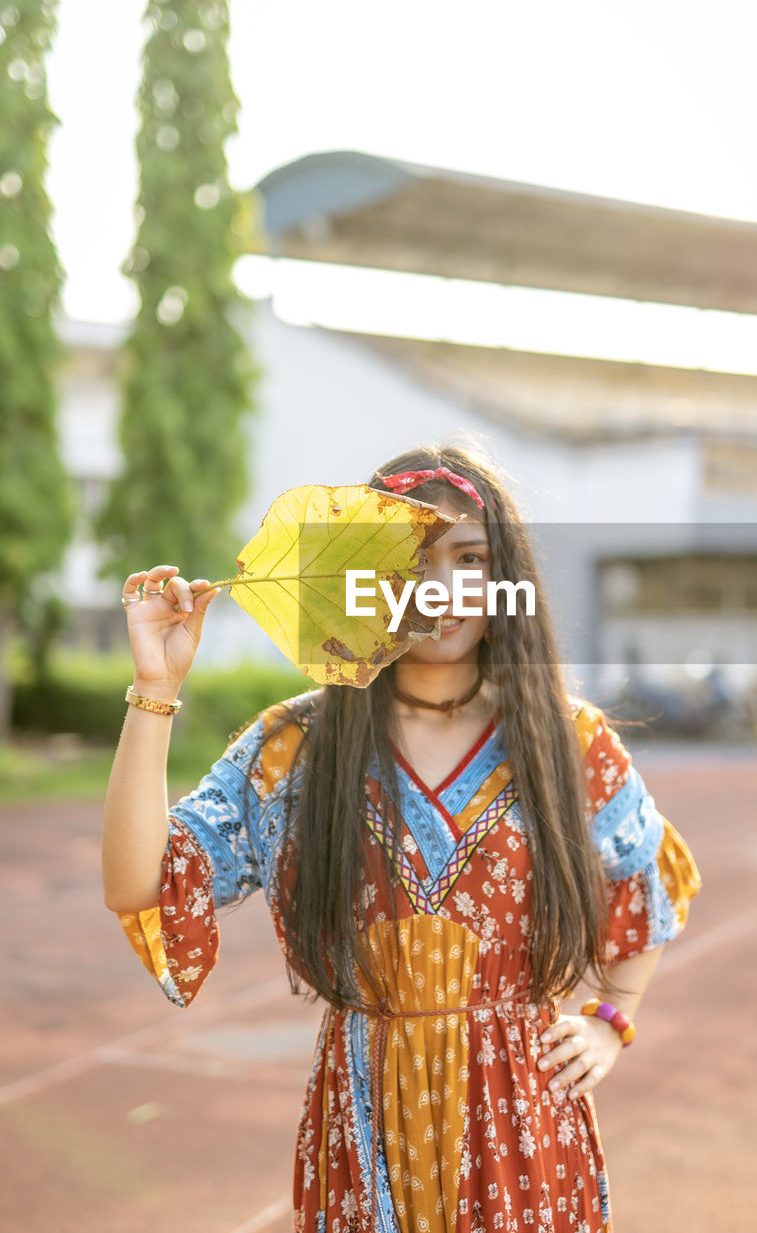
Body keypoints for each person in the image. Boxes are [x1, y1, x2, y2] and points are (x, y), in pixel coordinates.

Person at [102, 444, 701, 1233]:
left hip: (524, 1119)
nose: (442, 588)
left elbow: (645, 875)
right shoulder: (296, 745)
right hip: (361, 1114)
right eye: (408, 557)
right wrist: (154, 690)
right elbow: (141, 883)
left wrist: (612, 1017)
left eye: (470, 557)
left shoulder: (566, 740)